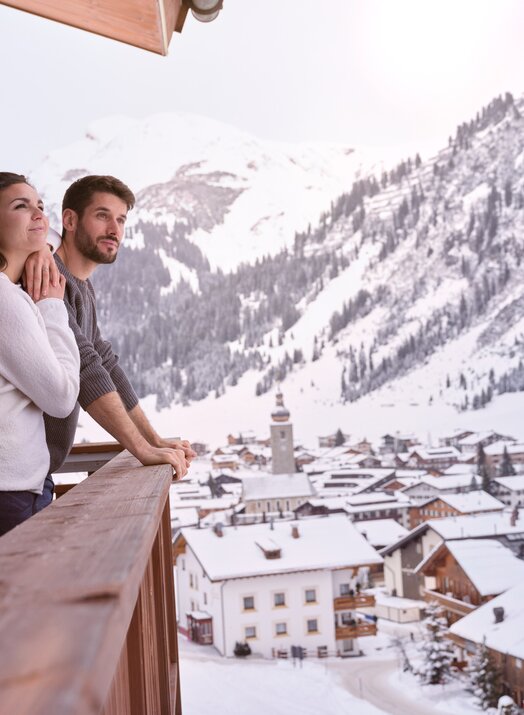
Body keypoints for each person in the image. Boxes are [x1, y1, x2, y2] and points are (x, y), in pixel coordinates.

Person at [24, 174, 195, 491]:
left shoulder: (81, 287)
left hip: (33, 474)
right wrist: (142, 450)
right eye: (102, 216)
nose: (114, 230)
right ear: (70, 220)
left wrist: (153, 439)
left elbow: (104, 360)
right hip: (15, 476)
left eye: (121, 220)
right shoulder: (47, 279)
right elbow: (86, 367)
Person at [0, 172, 80, 536]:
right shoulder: (6, 302)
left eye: (40, 206)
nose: (38, 215)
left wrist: (43, 250)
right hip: (12, 492)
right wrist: (50, 306)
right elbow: (61, 397)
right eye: (21, 206)